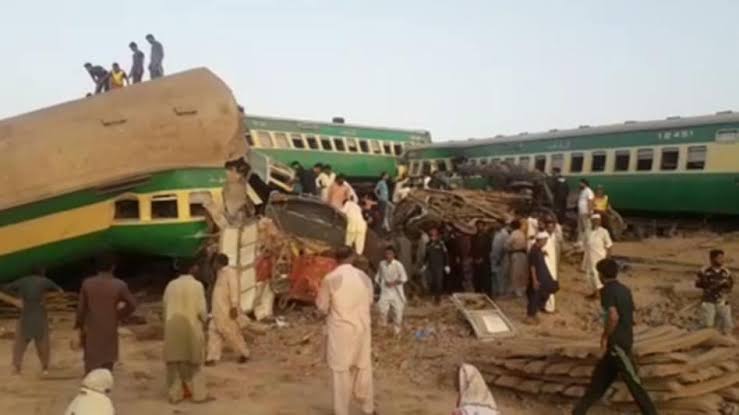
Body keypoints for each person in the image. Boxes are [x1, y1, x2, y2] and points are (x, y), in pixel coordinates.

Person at [573, 258, 658, 415]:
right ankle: (578, 412)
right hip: (624, 339)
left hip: (617, 343)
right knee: (598, 382)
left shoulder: (607, 291)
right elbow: (632, 315)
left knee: (634, 383)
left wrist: (605, 336)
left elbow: (613, 316)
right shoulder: (625, 290)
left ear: (601, 275)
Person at [316, 246, 375, 415]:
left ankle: (341, 411)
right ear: (352, 257)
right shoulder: (364, 277)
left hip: (340, 330)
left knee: (341, 371)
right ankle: (368, 408)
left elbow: (322, 307)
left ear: (336, 259)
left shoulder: (330, 278)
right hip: (362, 328)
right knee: (363, 367)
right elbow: (370, 301)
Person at [76, 254, 137, 374]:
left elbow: (81, 309)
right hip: (110, 328)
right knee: (107, 365)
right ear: (113, 267)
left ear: (96, 267)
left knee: (91, 367)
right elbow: (132, 305)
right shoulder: (119, 285)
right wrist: (119, 315)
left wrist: (79, 325)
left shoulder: (87, 283)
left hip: (91, 329)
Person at [163, 258, 211, 404]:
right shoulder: (197, 286)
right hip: (191, 329)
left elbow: (165, 306)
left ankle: (175, 395)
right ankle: (199, 395)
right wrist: (206, 320)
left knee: (174, 365)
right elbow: (202, 310)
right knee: (195, 365)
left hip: (173, 328)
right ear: (193, 268)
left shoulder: (170, 285)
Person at [3, 268, 63, 375]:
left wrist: (17, 296)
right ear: (42, 273)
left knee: (20, 343)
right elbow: (60, 291)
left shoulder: (22, 280)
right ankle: (45, 368)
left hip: (26, 313)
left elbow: (7, 287)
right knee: (43, 342)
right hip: (39, 313)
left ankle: (17, 367)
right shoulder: (44, 281)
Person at [206, 254, 250, 365]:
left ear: (219, 262)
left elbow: (234, 289)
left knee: (232, 333)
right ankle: (212, 358)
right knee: (213, 332)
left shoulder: (230, 273)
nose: (213, 265)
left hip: (227, 310)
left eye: (214, 262)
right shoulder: (219, 273)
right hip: (216, 310)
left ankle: (243, 353)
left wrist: (234, 307)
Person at [695, 249, 734, 335]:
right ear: (712, 259)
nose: (722, 260)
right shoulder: (704, 271)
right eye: (719, 258)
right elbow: (698, 284)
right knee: (708, 324)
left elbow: (731, 285)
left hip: (722, 301)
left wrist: (725, 286)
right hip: (708, 300)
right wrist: (711, 284)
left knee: (727, 324)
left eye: (722, 258)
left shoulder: (726, 272)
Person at [375, 246, 408, 335]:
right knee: (382, 311)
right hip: (385, 291)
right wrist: (378, 285)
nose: (388, 256)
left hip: (396, 292)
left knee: (398, 313)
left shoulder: (398, 265)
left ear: (394, 255)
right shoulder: (382, 264)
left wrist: (394, 283)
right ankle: (382, 330)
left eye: (390, 254)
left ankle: (397, 332)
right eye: (386, 254)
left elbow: (404, 278)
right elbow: (378, 276)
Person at [526, 232, 558, 324]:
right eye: (545, 241)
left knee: (545, 293)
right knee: (534, 297)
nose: (546, 243)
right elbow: (532, 266)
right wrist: (535, 280)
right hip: (537, 278)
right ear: (541, 240)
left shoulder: (538, 249)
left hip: (542, 278)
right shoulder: (534, 250)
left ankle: (535, 313)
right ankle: (530, 317)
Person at [584, 214, 613, 299]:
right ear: (591, 221)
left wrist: (608, 258)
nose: (596, 222)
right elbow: (585, 243)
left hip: (599, 258)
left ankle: (599, 294)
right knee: (589, 275)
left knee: (597, 275)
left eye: (598, 220)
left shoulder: (604, 232)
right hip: (589, 257)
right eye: (594, 220)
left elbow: (609, 245)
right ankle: (594, 292)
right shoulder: (588, 231)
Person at [424, 227, 450, 304]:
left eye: (434, 235)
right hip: (431, 266)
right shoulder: (428, 244)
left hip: (439, 266)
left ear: (437, 236)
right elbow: (426, 255)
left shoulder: (441, 244)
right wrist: (424, 264)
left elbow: (445, 255)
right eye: (431, 235)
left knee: (439, 282)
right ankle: (433, 296)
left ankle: (438, 299)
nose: (433, 237)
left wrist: (447, 265)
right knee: (432, 282)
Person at [504, 219, 528, 297]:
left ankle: (518, 289)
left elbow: (506, 245)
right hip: (520, 254)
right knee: (519, 272)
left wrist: (511, 250)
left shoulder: (516, 234)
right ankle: (519, 289)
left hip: (519, 254)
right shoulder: (519, 233)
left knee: (517, 272)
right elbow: (506, 245)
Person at [544, 219, 564, 313]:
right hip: (546, 265)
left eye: (552, 227)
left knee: (551, 286)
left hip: (553, 265)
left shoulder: (554, 237)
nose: (550, 229)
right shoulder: (544, 237)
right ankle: (548, 307)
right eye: (549, 227)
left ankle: (549, 306)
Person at [471, 221, 492, 295]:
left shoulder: (488, 237)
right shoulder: (473, 237)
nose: (479, 227)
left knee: (486, 278)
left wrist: (483, 258)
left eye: (481, 225)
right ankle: (478, 293)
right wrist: (474, 258)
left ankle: (487, 294)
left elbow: (489, 249)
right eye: (478, 226)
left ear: (484, 226)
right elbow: (472, 249)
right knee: (477, 279)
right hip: (476, 261)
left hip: (485, 261)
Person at [490, 222, 511, 298]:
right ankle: (495, 291)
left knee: (501, 276)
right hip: (494, 257)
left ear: (501, 224)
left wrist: (500, 258)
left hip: (501, 258)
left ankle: (501, 292)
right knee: (494, 275)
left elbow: (505, 247)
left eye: (497, 224)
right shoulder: (496, 233)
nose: (495, 225)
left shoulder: (505, 233)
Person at [577, 179, 595, 245]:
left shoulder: (588, 191)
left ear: (585, 184)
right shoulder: (582, 191)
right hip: (581, 212)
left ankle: (588, 241)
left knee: (587, 227)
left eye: (581, 183)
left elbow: (590, 201)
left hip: (586, 212)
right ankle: (580, 241)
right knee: (580, 227)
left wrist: (590, 211)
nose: (580, 184)